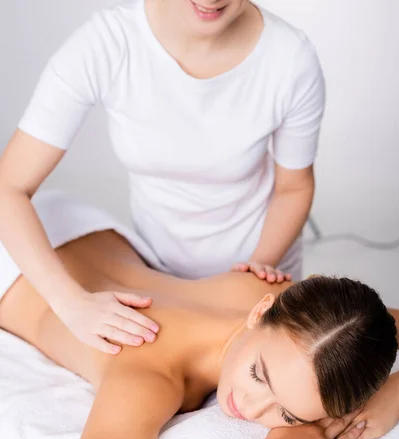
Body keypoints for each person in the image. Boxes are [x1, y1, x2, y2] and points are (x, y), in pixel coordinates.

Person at [0, 193, 398, 439]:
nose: (250, 407)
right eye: (259, 375)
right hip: (18, 248)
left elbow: (372, 325)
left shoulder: (293, 316)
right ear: (261, 311)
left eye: (289, 415)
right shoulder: (146, 376)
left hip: (73, 222)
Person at [0, 0, 325, 354]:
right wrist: (71, 303)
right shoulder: (107, 44)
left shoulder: (290, 57)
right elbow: (9, 186)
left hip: (258, 275)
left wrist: (258, 268)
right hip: (157, 271)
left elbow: (293, 187)